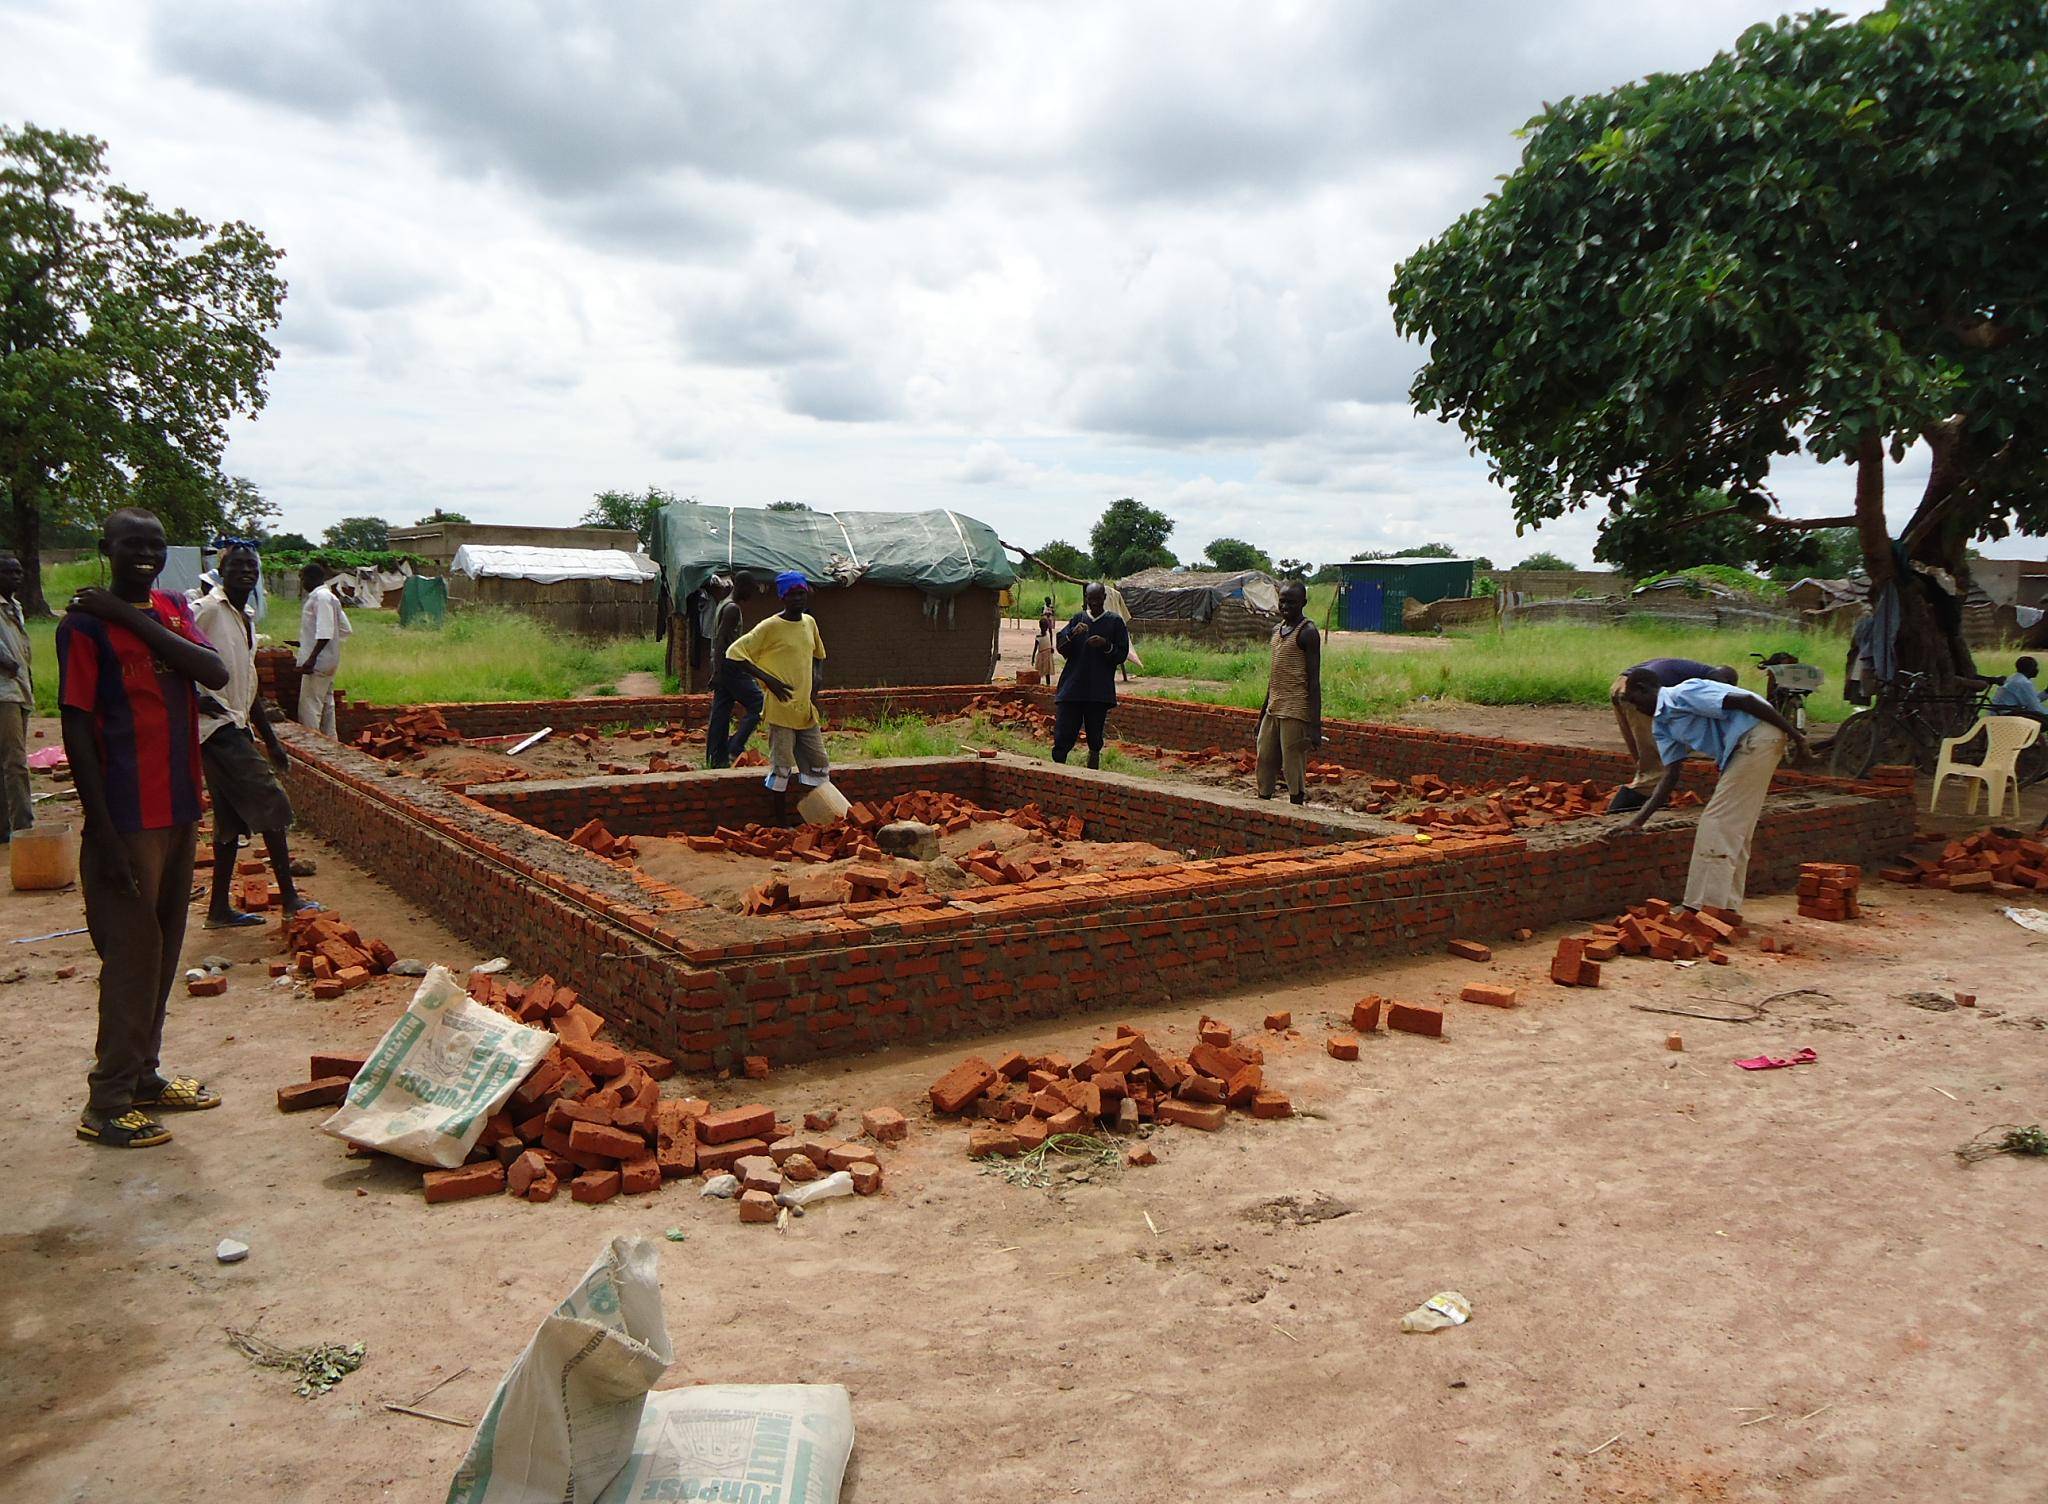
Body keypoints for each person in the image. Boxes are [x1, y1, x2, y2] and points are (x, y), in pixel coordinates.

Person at [59, 508, 230, 1148]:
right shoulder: (81, 628)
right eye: (132, 544)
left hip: (181, 807)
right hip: (127, 818)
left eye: (155, 545)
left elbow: (213, 672)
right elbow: (76, 728)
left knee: (161, 952)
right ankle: (106, 1102)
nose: (145, 554)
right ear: (106, 547)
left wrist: (129, 614)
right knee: (132, 960)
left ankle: (144, 1077)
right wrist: (102, 835)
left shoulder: (168, 610)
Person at [1606, 669, 1810, 916]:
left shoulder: (1684, 693)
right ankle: (1725, 907)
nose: (1635, 708)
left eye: (1634, 699)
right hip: (1742, 748)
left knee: (1717, 821)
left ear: (1644, 688)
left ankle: (1701, 907)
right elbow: (1670, 775)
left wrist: (1796, 736)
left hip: (1759, 736)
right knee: (1736, 827)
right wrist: (1637, 821)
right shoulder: (1662, 725)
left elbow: (1747, 701)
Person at [192, 541, 322, 928]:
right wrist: (194, 697)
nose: (246, 572)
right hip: (216, 729)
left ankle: (218, 910)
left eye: (252, 566)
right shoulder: (207, 611)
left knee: (230, 822)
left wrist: (272, 740)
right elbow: (169, 653)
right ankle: (291, 899)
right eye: (237, 566)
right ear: (223, 571)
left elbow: (250, 687)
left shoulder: (244, 617)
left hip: (235, 724)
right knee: (272, 803)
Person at [724, 572, 828, 799]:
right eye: (793, 595)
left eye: (802, 594)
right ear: (782, 597)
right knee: (782, 768)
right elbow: (734, 653)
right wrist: (769, 681)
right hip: (780, 710)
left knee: (819, 764)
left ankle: (817, 815)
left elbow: (818, 654)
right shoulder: (770, 627)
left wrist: (816, 676)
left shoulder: (809, 623)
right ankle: (781, 822)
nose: (799, 599)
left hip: (804, 709)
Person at [1608, 657, 1738, 812]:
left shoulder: (1692, 670)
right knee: (1656, 764)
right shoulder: (1716, 682)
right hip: (1638, 693)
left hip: (1621, 685)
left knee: (1644, 758)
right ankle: (1622, 810)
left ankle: (1652, 796)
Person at [1255, 580, 1322, 804]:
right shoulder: (1277, 630)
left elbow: (1314, 682)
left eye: (1291, 603)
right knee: (1264, 757)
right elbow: (1274, 677)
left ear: (1303, 602)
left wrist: (1315, 725)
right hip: (1274, 708)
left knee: (1293, 763)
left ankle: (1296, 803)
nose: (1285, 607)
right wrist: (1262, 713)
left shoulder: (1307, 633)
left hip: (1295, 710)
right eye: (1282, 601)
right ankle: (1264, 798)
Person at [1052, 582, 1130, 768]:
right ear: (1086, 598)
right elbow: (1061, 647)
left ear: (1104, 598)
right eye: (1090, 599)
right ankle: (1057, 768)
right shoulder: (1078, 619)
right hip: (1073, 687)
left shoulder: (1115, 622)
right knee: (1064, 730)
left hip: (1098, 690)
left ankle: (1093, 764)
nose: (1094, 603)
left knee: (1094, 733)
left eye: (1097, 599)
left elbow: (1121, 654)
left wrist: (1105, 645)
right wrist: (1072, 634)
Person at [705, 574, 765, 768]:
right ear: (743, 586)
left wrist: (716, 668)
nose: (752, 595)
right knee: (758, 702)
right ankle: (735, 745)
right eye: (751, 589)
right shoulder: (732, 608)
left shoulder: (724, 603)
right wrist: (718, 672)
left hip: (722, 664)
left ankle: (716, 758)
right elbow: (722, 640)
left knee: (721, 711)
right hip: (730, 665)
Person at [0, 553, 34, 839]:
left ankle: (6, 825)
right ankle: (24, 826)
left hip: (20, 689)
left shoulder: (15, 607)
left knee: (9, 760)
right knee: (15, 762)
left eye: (19, 573)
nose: (17, 578)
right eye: (10, 573)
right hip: (4, 693)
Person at [295, 562, 351, 736]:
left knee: (309, 707)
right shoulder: (330, 597)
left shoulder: (321, 598)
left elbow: (325, 631)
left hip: (317, 663)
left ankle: (313, 745)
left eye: (302, 578)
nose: (302, 583)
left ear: (311, 578)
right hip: (329, 660)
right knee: (327, 704)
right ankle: (331, 742)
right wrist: (305, 643)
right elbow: (344, 629)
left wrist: (311, 657)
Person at [1989, 656, 2048, 721]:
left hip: (2001, 713)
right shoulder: (2023, 683)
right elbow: (2035, 708)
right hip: (2008, 717)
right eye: (2035, 667)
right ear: (2029, 669)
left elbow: (2032, 699)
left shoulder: (2015, 678)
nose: (2037, 670)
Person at [1031, 599, 1057, 682]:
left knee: (1045, 672)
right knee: (1043, 672)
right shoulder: (1041, 637)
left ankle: (1047, 685)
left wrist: (1051, 647)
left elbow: (1035, 649)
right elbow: (1035, 649)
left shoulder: (1041, 637)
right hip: (1043, 655)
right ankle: (1046, 685)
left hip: (1045, 654)